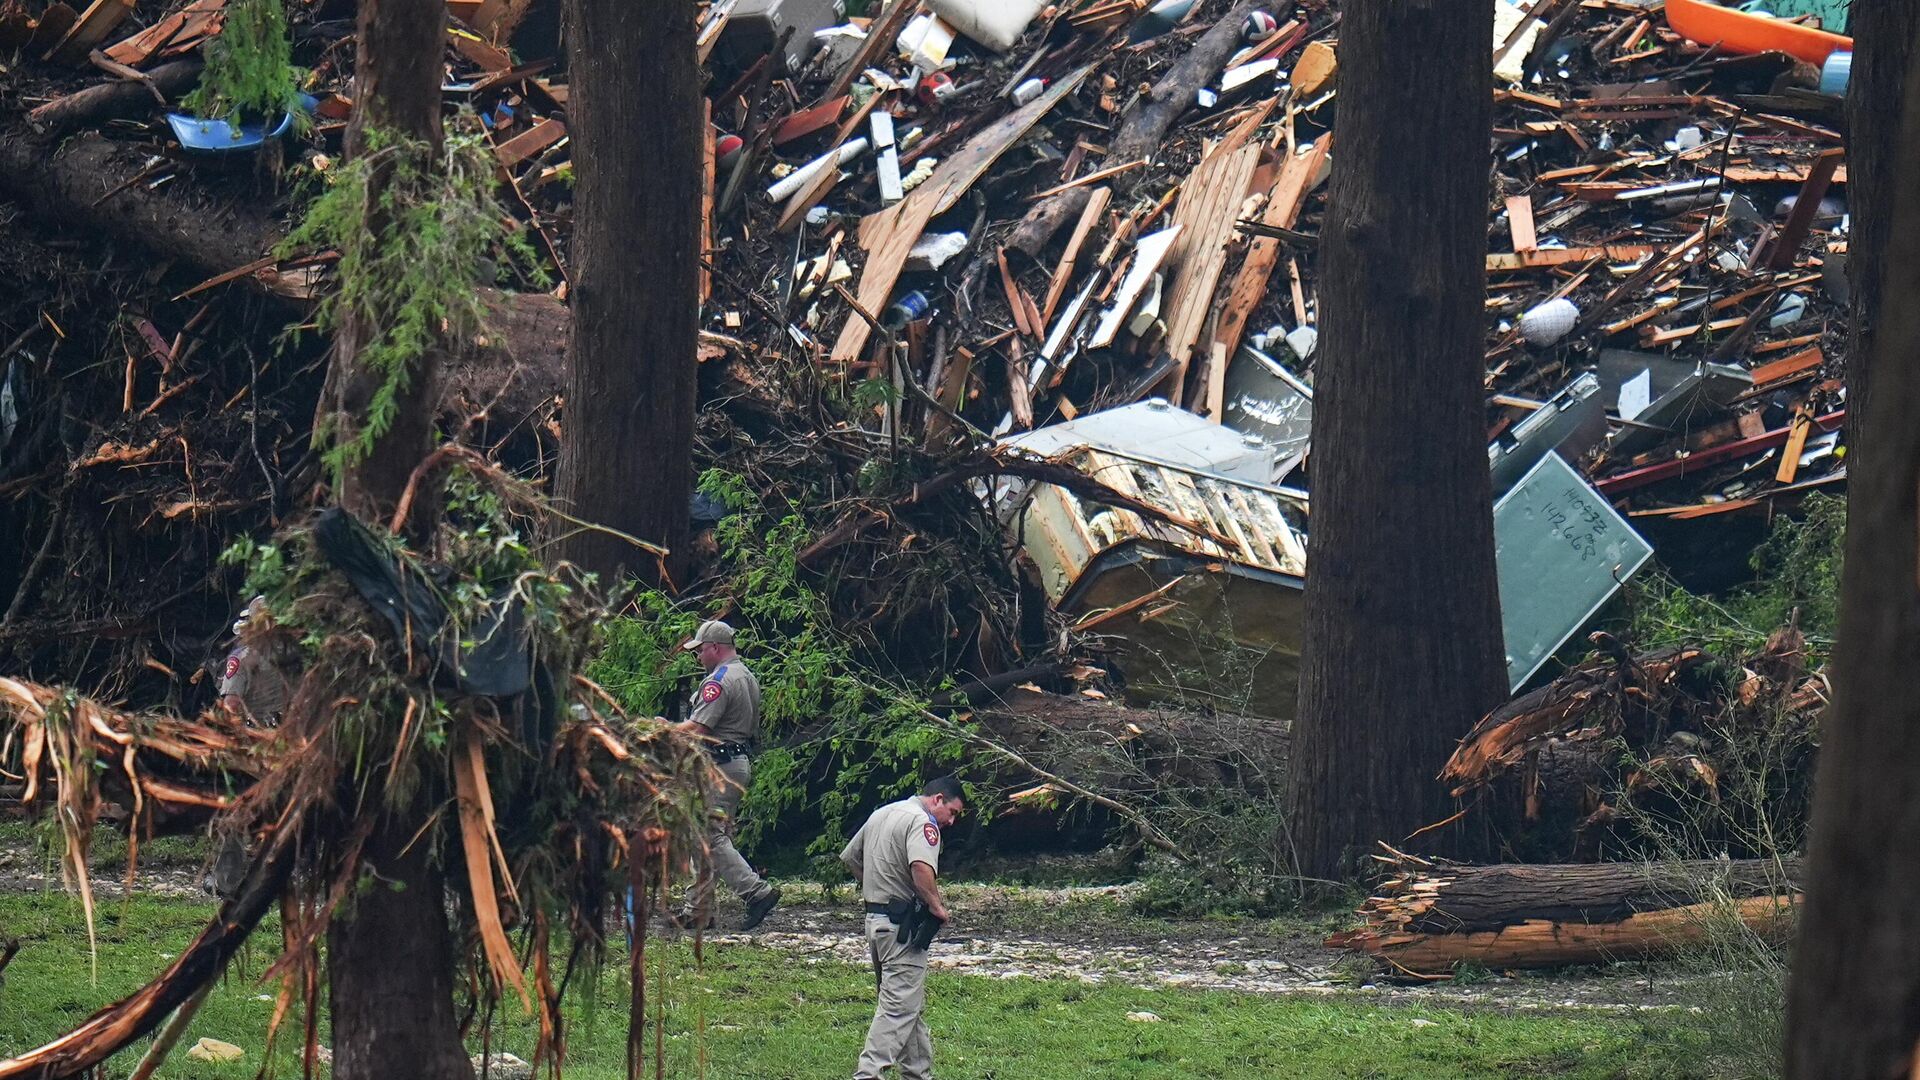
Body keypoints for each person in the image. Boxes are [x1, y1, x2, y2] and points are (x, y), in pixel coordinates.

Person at [840, 776, 967, 1080]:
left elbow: (851, 857)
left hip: (875, 921)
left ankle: (917, 1073)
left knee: (907, 1003)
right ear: (937, 799)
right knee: (897, 1009)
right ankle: (868, 1074)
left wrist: (876, 885)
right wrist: (936, 906)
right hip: (902, 928)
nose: (951, 821)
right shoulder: (923, 823)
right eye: (952, 812)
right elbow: (921, 867)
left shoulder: (882, 813)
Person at [670, 619, 781, 931]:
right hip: (735, 763)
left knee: (708, 835)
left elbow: (697, 729)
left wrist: (663, 730)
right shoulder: (746, 675)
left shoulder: (718, 681)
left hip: (718, 767)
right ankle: (698, 910)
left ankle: (757, 893)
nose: (697, 657)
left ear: (715, 648)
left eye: (700, 650)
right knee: (707, 836)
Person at [206, 596, 292, 898]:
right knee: (270, 809)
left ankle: (230, 880)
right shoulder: (286, 658)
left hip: (258, 743)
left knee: (238, 810)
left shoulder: (245, 658)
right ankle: (270, 878)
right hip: (276, 743)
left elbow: (231, 707)